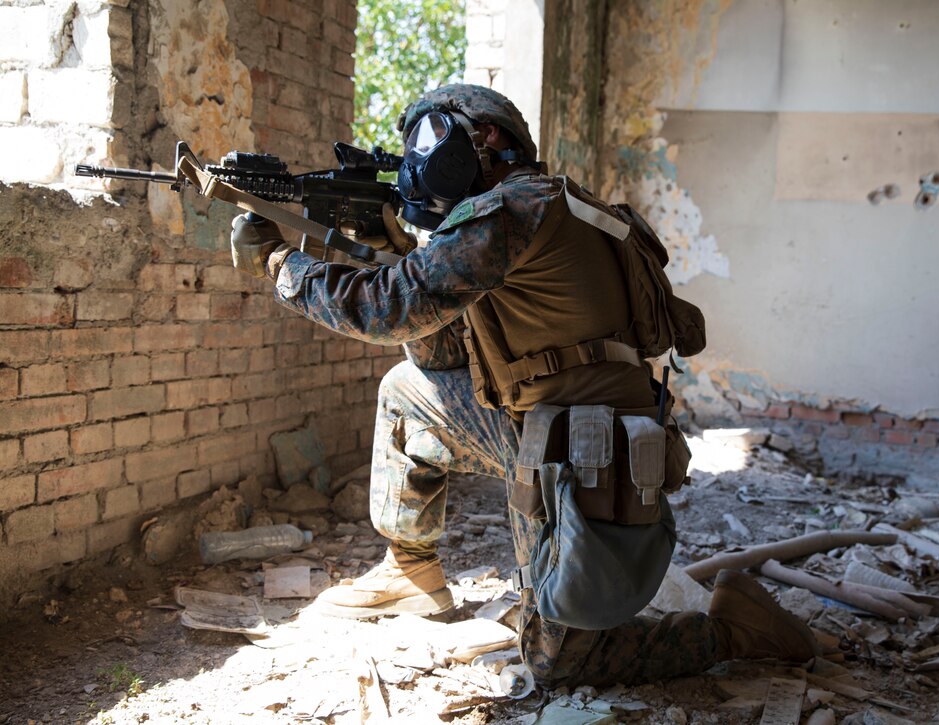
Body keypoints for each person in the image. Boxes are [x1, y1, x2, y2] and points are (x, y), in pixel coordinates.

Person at [229, 84, 817, 686]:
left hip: (581, 452)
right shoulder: (560, 208)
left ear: (483, 138)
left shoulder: (513, 209)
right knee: (409, 393)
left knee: (563, 664)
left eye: (429, 139)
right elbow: (440, 353)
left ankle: (734, 627)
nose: (418, 159)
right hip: (544, 426)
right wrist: (396, 249)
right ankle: (410, 570)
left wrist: (283, 265)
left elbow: (390, 310)